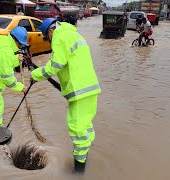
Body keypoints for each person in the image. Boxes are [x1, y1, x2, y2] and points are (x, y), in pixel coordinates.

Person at [30, 18, 101, 172]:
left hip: (79, 91)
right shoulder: (74, 35)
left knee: (76, 128)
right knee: (85, 127)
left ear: (50, 31)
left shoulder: (59, 36)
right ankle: (85, 155)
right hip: (90, 88)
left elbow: (55, 65)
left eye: (47, 38)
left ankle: (79, 171)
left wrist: (35, 74)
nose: (49, 41)